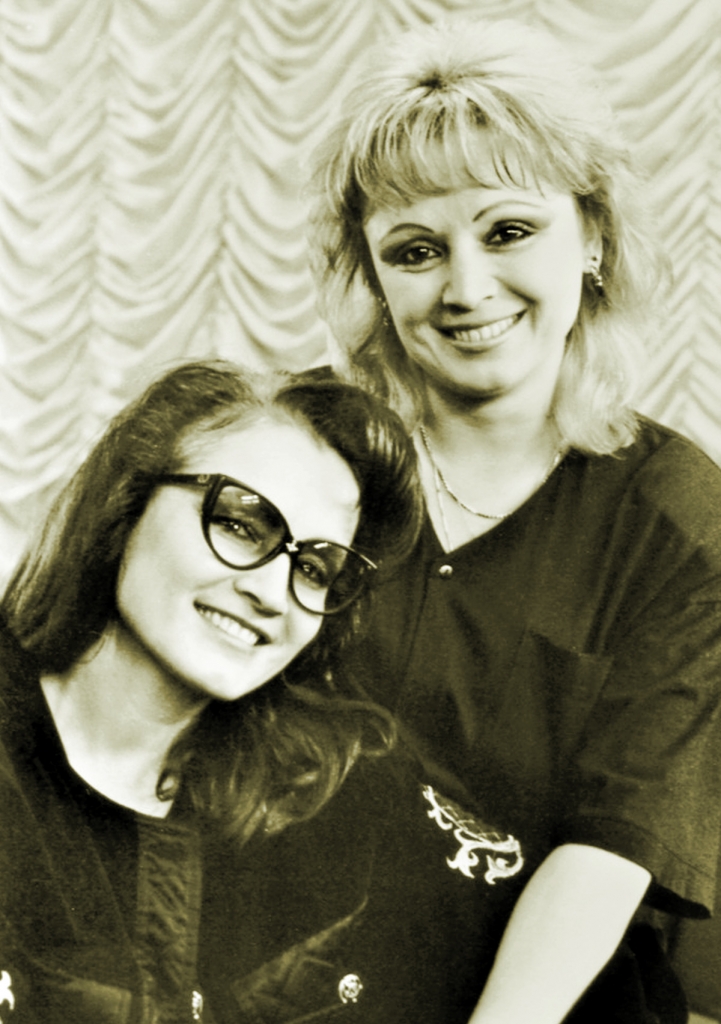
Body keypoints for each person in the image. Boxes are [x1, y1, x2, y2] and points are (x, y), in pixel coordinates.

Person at [307, 14, 721, 1024]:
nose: (466, 288)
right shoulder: (298, 453)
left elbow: (609, 847)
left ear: (593, 238)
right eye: (415, 250)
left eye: (507, 232)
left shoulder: (678, 516)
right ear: (372, 277)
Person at [0, 359, 527, 1024]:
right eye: (240, 524)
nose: (273, 594)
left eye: (314, 568)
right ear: (125, 501)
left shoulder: (336, 787)